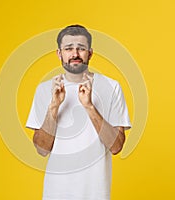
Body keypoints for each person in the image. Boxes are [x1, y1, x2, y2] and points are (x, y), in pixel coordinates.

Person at [26, 25, 131, 200]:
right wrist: (54, 106)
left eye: (81, 48)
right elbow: (41, 149)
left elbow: (116, 146)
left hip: (96, 193)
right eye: (68, 49)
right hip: (55, 193)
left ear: (90, 53)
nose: (75, 54)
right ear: (59, 54)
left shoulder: (111, 87)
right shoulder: (45, 90)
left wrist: (89, 106)